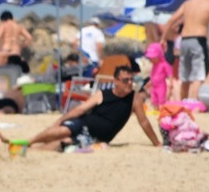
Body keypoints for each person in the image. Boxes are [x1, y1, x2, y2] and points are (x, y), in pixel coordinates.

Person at [28, 63, 160, 149]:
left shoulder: (134, 98)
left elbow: (143, 121)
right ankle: (30, 142)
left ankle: (34, 150)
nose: (130, 83)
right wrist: (59, 120)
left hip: (96, 138)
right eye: (126, 80)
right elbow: (80, 109)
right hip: (83, 124)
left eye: (131, 80)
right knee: (63, 130)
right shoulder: (101, 94)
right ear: (116, 81)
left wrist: (157, 143)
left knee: (65, 142)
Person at [162, 0, 209, 100]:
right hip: (199, 40)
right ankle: (194, 103)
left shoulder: (188, 2)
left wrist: (162, 39)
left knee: (185, 76)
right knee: (199, 76)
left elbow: (171, 20)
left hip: (184, 41)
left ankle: (182, 102)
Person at [143, 42, 173, 109]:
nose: (151, 60)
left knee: (161, 99)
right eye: (150, 58)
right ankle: (156, 111)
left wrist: (171, 84)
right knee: (154, 100)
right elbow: (153, 78)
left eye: (153, 57)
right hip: (154, 87)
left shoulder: (163, 64)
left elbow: (170, 74)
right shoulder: (154, 66)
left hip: (161, 86)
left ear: (159, 55)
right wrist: (148, 84)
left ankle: (162, 110)